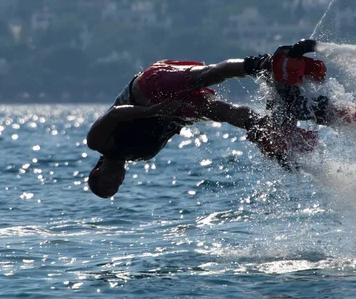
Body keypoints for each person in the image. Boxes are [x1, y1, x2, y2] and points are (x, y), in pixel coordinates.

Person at [87, 42, 322, 199]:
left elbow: (115, 114)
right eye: (116, 186)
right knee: (223, 113)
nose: (116, 180)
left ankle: (262, 64)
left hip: (149, 89)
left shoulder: (97, 142)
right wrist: (188, 116)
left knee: (206, 76)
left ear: (97, 171)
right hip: (172, 112)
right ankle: (271, 129)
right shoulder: (140, 155)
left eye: (108, 183)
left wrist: (152, 110)